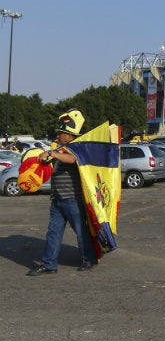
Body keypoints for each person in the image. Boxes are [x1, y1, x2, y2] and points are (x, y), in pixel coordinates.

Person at [27, 109, 98, 275]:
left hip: (73, 198)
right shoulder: (60, 148)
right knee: (53, 232)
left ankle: (89, 259)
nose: (58, 136)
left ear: (69, 136)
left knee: (81, 232)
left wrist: (52, 153)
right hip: (57, 199)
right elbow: (49, 161)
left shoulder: (76, 148)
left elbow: (72, 160)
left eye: (61, 133)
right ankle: (50, 264)